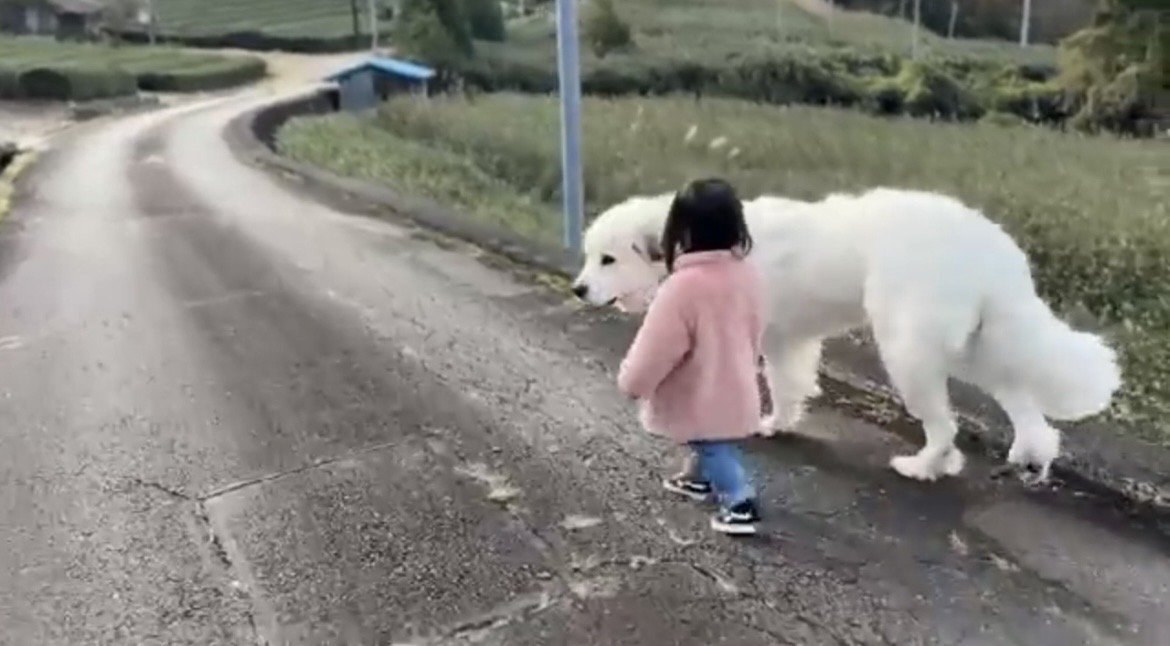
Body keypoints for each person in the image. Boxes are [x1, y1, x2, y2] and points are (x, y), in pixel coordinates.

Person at [617, 178, 765, 535]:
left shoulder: (683, 287)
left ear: (680, 228)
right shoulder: (749, 275)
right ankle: (698, 480)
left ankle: (740, 501)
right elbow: (754, 331)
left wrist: (633, 382)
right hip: (738, 383)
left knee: (712, 444)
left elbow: (657, 346)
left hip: (701, 388)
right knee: (707, 438)